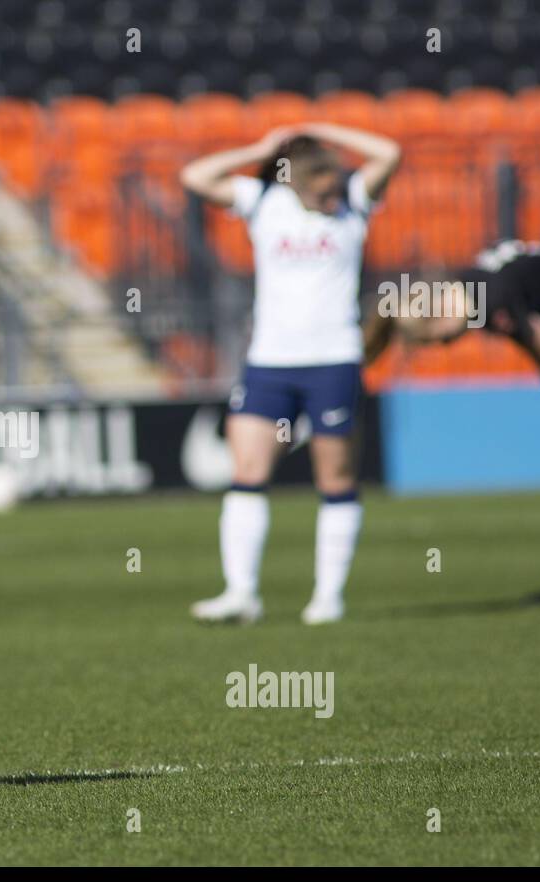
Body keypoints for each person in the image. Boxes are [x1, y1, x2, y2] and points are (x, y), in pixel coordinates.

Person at [180, 123, 402, 624]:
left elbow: (391, 152)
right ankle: (241, 593)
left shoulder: (353, 199)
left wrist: (326, 130)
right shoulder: (263, 201)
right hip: (270, 362)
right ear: (297, 184)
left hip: (334, 359)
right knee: (247, 473)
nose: (330, 198)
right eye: (319, 191)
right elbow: (194, 175)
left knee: (335, 478)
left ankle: (328, 597)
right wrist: (258, 149)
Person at [392, 240, 540, 601]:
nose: (445, 345)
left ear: (440, 310)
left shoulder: (490, 301)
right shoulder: (476, 287)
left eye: (438, 340)